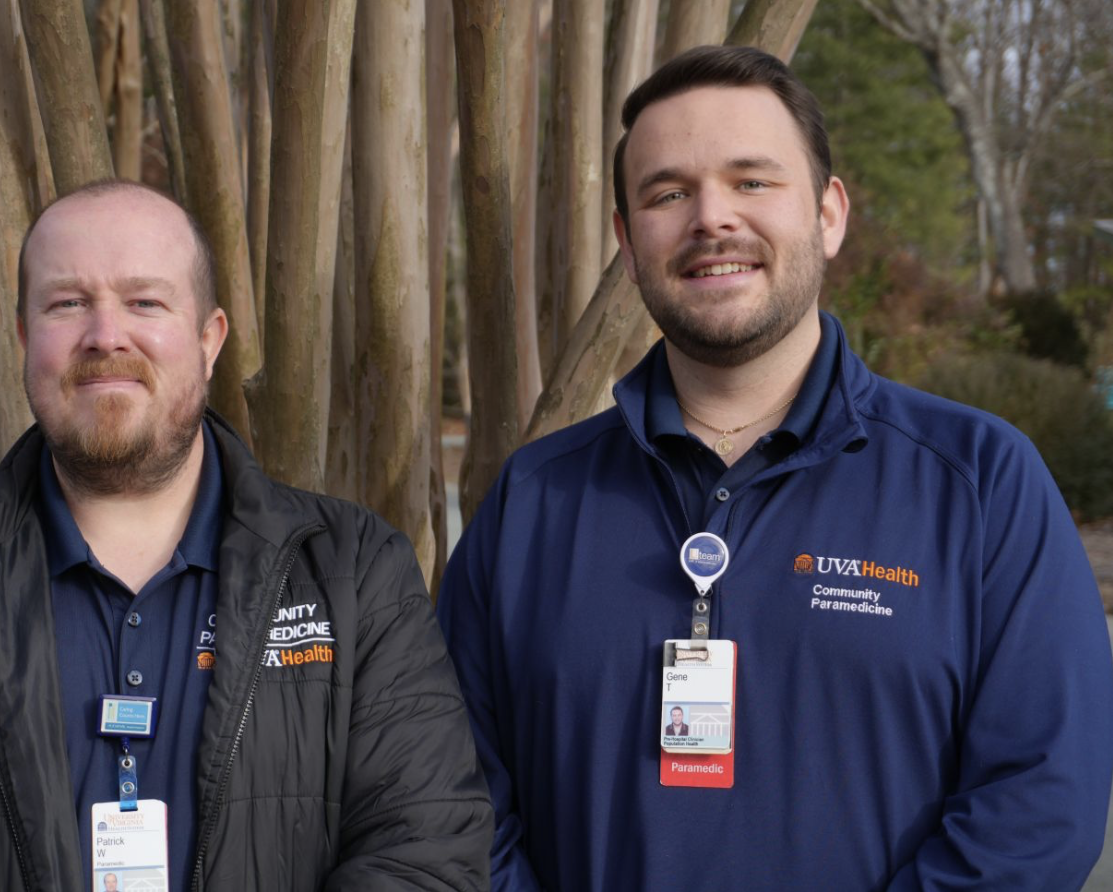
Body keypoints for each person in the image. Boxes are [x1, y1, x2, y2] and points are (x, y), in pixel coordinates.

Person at [438, 45, 1113, 890]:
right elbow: (452, 802)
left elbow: (1039, 806)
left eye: (752, 181)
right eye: (668, 192)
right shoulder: (533, 502)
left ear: (829, 214)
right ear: (626, 238)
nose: (711, 218)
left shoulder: (979, 484)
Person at [0, 180, 492, 890]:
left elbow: (424, 853)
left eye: (144, 301)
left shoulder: (354, 572)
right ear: (27, 339)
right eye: (68, 303)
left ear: (209, 340)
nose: (106, 335)